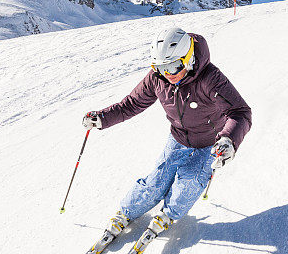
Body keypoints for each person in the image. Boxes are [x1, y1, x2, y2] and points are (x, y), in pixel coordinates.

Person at [83, 27, 252, 236]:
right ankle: (127, 212)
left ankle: (169, 214)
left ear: (188, 58)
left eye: (173, 66)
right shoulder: (158, 77)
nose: (168, 74)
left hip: (209, 143)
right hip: (178, 138)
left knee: (189, 181)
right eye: (160, 67)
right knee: (156, 180)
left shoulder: (210, 78)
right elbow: (132, 104)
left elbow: (240, 112)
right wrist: (102, 118)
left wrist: (228, 140)